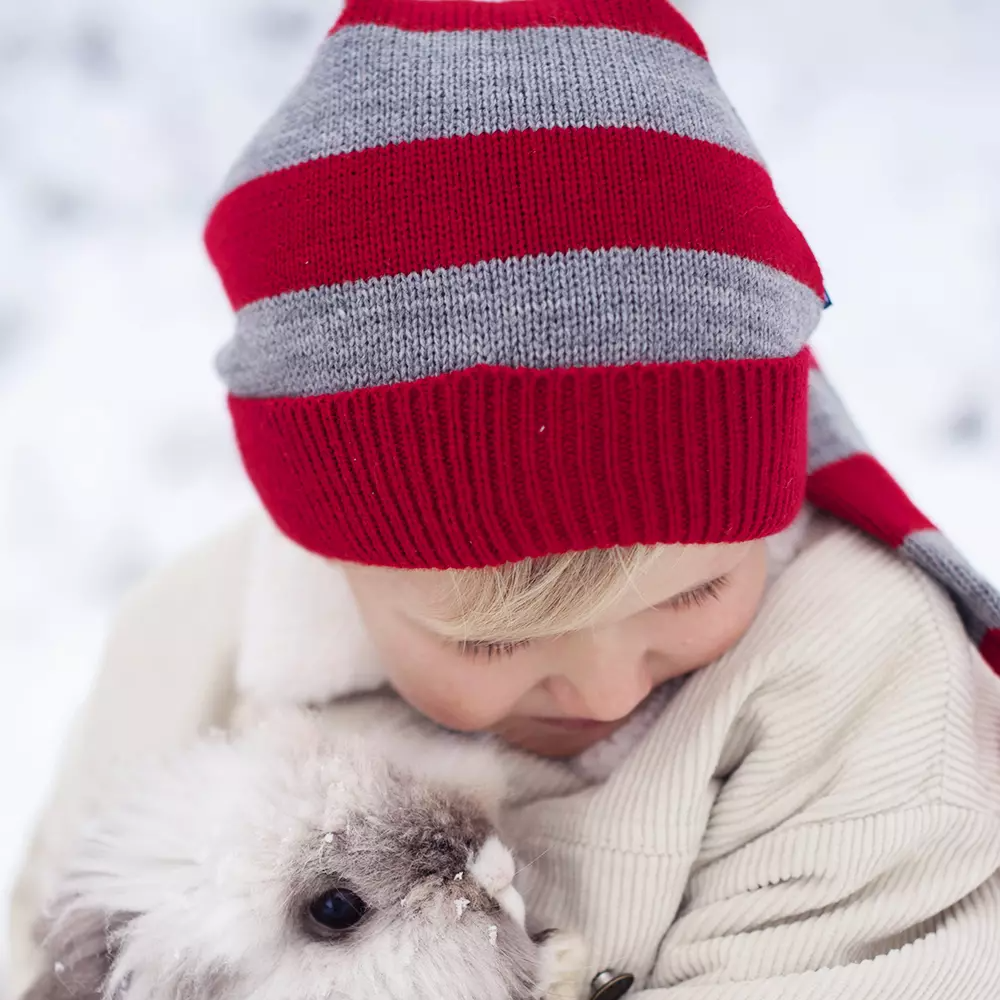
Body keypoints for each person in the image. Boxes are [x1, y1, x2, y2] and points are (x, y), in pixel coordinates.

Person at [10, 1, 1000, 997]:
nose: (604, 689)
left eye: (691, 591)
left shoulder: (862, 678)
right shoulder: (185, 648)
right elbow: (56, 943)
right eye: (489, 642)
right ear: (334, 551)